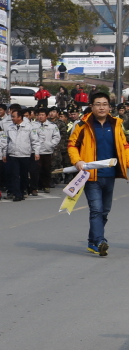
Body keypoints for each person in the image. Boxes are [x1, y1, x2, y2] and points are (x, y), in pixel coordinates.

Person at [68, 91, 129, 255]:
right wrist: (78, 161)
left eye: (104, 104)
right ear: (91, 106)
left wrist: (127, 163)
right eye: (98, 104)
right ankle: (100, 241)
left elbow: (124, 147)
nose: (101, 107)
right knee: (96, 209)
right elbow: (72, 145)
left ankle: (93, 241)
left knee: (104, 211)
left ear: (109, 107)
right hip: (90, 175)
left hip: (110, 175)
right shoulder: (82, 125)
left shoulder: (116, 124)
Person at [3, 104, 39, 202]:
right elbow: (5, 141)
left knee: (24, 175)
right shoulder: (10, 127)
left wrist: (36, 152)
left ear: (20, 117)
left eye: (14, 116)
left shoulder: (29, 127)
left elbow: (35, 140)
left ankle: (23, 190)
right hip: (13, 154)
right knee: (14, 175)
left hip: (25, 154)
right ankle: (17, 194)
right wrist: (4, 154)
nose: (12, 118)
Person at [33, 107, 61, 192]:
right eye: (39, 115)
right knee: (36, 169)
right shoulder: (33, 125)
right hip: (36, 151)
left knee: (46, 169)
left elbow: (57, 137)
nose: (40, 117)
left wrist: (50, 144)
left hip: (47, 151)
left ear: (46, 116)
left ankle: (46, 186)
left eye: (42, 115)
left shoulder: (52, 126)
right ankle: (36, 187)